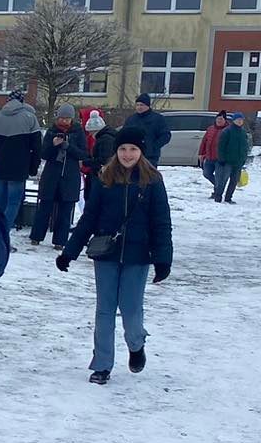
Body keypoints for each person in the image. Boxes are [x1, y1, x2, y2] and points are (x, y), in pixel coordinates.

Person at [58, 123, 172, 383]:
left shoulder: (152, 181)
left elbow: (161, 223)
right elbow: (89, 219)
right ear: (116, 151)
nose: (127, 154)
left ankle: (136, 344)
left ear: (141, 152)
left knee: (131, 310)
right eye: (122, 149)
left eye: (133, 149)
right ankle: (102, 364)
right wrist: (69, 252)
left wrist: (163, 260)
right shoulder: (104, 178)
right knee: (105, 310)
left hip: (138, 256)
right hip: (106, 253)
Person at [0, 91, 42, 237]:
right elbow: (37, 146)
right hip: (19, 169)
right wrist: (33, 167)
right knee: (13, 203)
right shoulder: (30, 118)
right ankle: (2, 234)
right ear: (22, 101)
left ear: (7, 100)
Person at [30, 103, 89, 249]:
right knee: (44, 208)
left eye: (67, 119)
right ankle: (36, 236)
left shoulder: (78, 132)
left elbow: (83, 154)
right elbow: (44, 154)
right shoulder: (51, 132)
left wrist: (69, 147)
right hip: (51, 176)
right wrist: (53, 145)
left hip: (70, 177)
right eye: (61, 118)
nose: (64, 121)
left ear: (72, 119)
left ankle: (60, 241)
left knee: (65, 210)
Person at [213, 111, 250, 204]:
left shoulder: (243, 132)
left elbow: (245, 146)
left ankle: (228, 198)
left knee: (234, 181)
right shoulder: (227, 131)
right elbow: (221, 146)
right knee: (222, 180)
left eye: (241, 120)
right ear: (233, 120)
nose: (240, 121)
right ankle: (218, 197)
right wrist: (221, 158)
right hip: (227, 161)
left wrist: (244, 158)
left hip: (238, 161)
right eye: (238, 120)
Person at [82, 108, 118, 203]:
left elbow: (103, 160)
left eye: (90, 132)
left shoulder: (105, 140)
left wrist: (85, 162)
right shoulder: (106, 138)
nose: (90, 134)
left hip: (102, 176)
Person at [131, 94, 174, 167]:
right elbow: (124, 134)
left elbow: (166, 135)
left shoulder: (158, 119)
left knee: (149, 174)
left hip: (150, 157)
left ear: (148, 106)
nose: (139, 107)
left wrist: (153, 147)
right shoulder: (131, 119)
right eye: (137, 105)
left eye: (142, 105)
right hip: (133, 155)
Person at [198, 111, 228, 188]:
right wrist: (201, 153)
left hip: (220, 159)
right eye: (218, 119)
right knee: (206, 174)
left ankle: (217, 191)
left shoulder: (228, 130)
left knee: (218, 176)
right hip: (209, 157)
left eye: (221, 119)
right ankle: (219, 187)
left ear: (225, 120)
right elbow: (204, 142)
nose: (219, 121)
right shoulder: (210, 129)